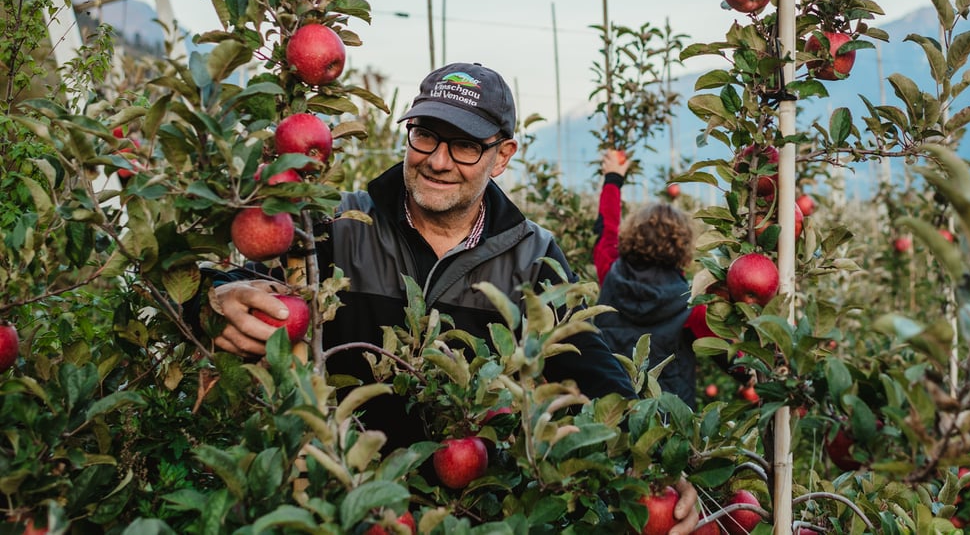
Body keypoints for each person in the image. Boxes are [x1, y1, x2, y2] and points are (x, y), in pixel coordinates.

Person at [197, 63, 700, 533]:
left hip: (472, 513)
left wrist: (655, 456)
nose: (438, 160)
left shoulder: (533, 255)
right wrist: (214, 299)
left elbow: (591, 368)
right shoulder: (335, 223)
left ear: (502, 156)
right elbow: (241, 281)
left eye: (465, 146)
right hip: (333, 504)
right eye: (426, 136)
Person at [592, 149, 710, 409]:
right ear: (683, 246)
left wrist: (613, 177)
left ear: (632, 233)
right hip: (667, 423)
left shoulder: (611, 271)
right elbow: (730, 356)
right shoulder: (692, 306)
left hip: (610, 413)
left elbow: (606, 227)